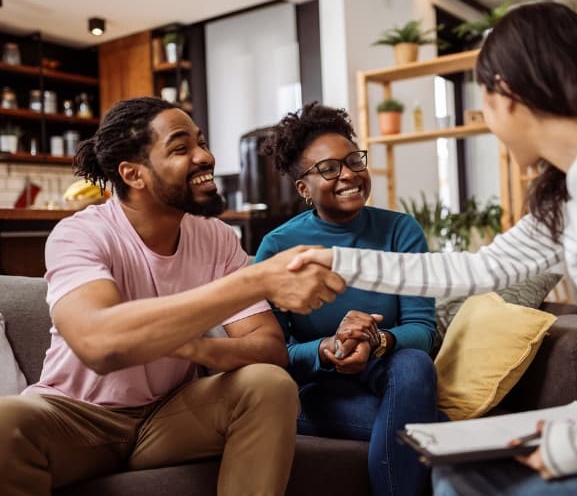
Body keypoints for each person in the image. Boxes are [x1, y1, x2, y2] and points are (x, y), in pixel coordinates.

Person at [286, 2, 577, 495]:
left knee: (463, 485)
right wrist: (337, 260)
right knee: (456, 472)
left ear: (510, 92)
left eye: (484, 99)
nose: (486, 119)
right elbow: (478, 269)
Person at [0, 97, 345, 496]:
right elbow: (98, 343)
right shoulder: (81, 234)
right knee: (5, 421)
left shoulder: (214, 236)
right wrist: (257, 280)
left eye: (201, 142)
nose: (205, 156)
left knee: (268, 384)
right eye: (181, 148)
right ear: (133, 174)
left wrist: (193, 347)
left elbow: (270, 349)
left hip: (168, 415)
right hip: (76, 416)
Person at [254, 102, 440, 496]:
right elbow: (274, 351)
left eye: (354, 160)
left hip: (390, 377)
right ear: (303, 188)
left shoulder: (400, 231)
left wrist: (376, 339)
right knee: (430, 423)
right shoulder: (277, 247)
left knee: (413, 362)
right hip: (317, 392)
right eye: (329, 168)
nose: (349, 175)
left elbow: (423, 330)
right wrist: (327, 348)